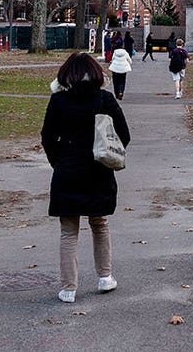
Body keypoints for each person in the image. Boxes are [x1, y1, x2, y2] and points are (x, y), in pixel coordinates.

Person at [41, 52, 130, 304]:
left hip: (67, 169)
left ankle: (68, 288)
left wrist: (58, 162)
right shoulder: (105, 99)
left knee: (68, 231)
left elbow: (47, 137)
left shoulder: (58, 101)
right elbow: (124, 134)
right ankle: (105, 277)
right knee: (99, 223)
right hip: (98, 169)